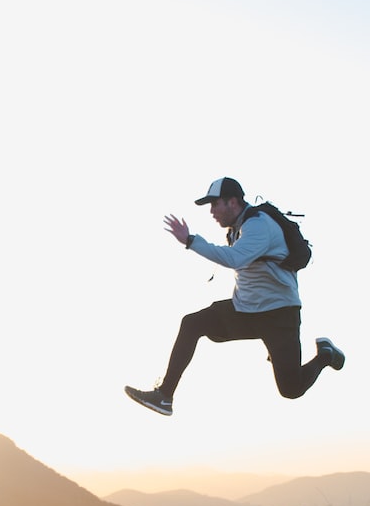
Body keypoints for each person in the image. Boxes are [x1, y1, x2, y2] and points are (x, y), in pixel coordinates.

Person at [125, 177, 344, 416]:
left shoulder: (259, 224)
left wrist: (190, 241)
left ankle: (325, 355)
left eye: (214, 204)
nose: (211, 211)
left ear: (232, 202)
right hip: (245, 311)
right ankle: (164, 396)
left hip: (279, 315)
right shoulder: (237, 228)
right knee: (192, 323)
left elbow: (235, 259)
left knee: (291, 389)